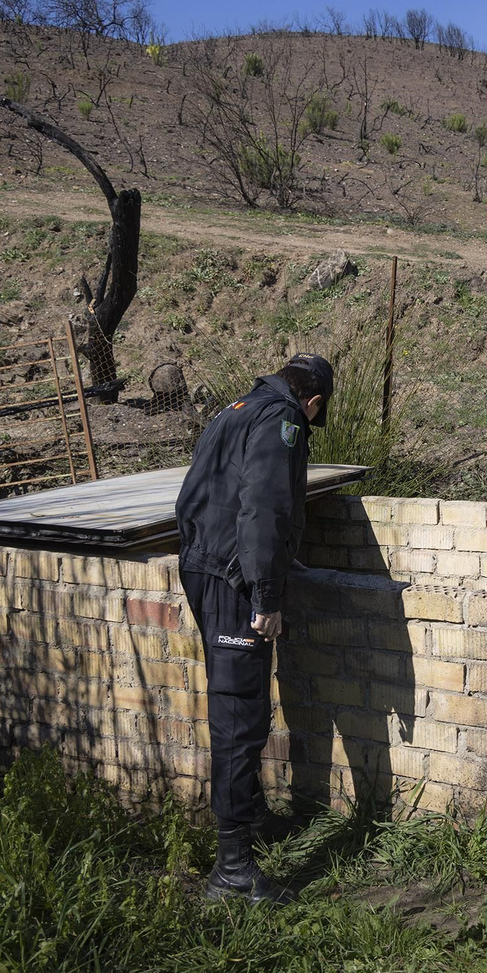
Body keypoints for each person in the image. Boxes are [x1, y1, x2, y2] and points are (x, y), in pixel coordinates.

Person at [174, 352, 333, 904]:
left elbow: (200, 495)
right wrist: (265, 592)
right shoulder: (283, 419)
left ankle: (255, 820)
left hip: (206, 567)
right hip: (233, 581)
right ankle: (233, 869)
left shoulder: (237, 408)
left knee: (240, 703)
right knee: (238, 716)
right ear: (313, 402)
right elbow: (263, 506)